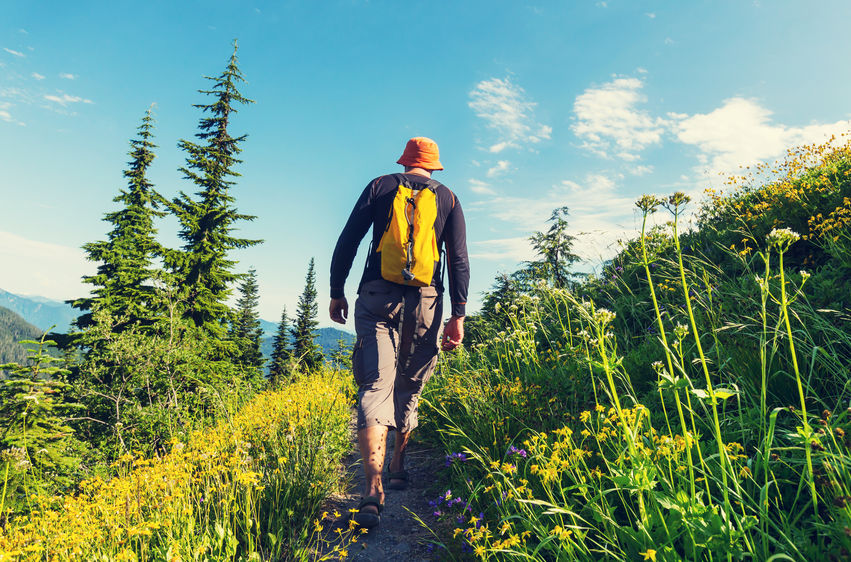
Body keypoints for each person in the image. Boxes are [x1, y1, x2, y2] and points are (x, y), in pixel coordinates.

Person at [329, 136, 469, 528]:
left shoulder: (379, 186)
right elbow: (458, 258)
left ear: (405, 161)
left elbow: (349, 241)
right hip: (426, 302)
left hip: (376, 295)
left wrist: (336, 290)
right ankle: (397, 464)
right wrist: (457, 314)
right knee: (410, 385)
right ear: (434, 166)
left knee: (376, 385)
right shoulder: (449, 199)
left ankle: (373, 489)